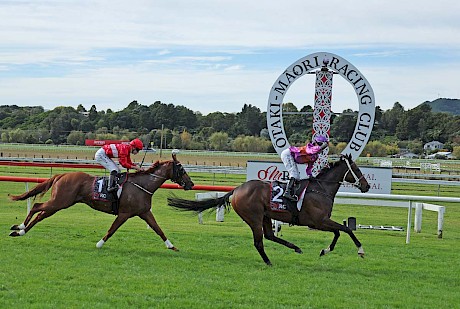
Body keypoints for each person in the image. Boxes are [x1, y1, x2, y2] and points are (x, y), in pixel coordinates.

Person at [280, 135, 329, 201]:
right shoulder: (309, 147)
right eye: (319, 144)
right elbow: (311, 151)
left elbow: (309, 167)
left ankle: (292, 193)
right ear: (315, 143)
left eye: (322, 145)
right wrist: (322, 147)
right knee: (294, 175)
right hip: (288, 154)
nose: (321, 147)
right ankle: (287, 193)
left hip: (291, 157)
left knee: (297, 177)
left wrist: (310, 175)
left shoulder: (315, 156)